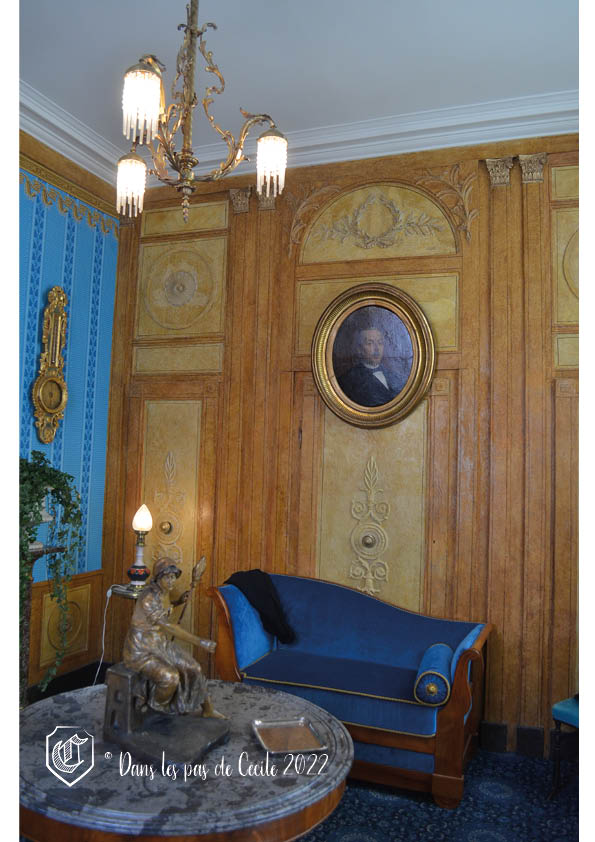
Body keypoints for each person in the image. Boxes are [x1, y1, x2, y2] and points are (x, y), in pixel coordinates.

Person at [122, 557, 222, 717]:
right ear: (158, 578)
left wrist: (178, 601)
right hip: (142, 651)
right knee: (170, 678)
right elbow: (168, 626)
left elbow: (163, 609)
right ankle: (154, 709)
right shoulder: (148, 598)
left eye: (173, 577)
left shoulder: (163, 592)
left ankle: (208, 709)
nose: (172, 581)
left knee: (194, 667)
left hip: (159, 644)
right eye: (168, 577)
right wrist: (200, 642)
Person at [337, 326, 409, 406]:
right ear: (359, 349)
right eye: (370, 343)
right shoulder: (348, 381)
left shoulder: (394, 376)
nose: (377, 348)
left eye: (380, 343)